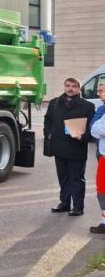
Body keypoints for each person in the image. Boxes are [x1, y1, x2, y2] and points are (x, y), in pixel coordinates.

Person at [45, 77, 95, 216]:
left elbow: (92, 127)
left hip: (76, 148)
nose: (70, 88)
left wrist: (83, 137)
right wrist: (48, 133)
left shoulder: (87, 106)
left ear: (79, 88)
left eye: (74, 86)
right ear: (64, 86)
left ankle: (78, 207)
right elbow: (47, 119)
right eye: (68, 85)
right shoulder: (55, 103)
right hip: (59, 147)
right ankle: (65, 204)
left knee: (77, 179)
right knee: (63, 177)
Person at [88, 83, 105, 233]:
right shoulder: (101, 109)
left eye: (101, 91)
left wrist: (98, 128)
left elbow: (99, 129)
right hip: (102, 154)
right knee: (102, 190)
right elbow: (93, 129)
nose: (99, 93)